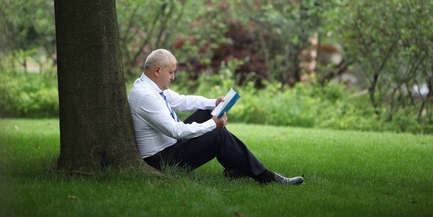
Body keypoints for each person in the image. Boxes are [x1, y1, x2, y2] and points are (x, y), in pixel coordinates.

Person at [128, 48, 304, 185]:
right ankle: (265, 176)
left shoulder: (150, 86)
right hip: (160, 161)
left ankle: (236, 168)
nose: (173, 77)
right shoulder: (146, 96)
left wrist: (214, 103)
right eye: (171, 72)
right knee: (217, 134)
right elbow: (176, 131)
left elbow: (182, 101)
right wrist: (213, 124)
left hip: (171, 146)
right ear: (157, 70)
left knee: (206, 113)